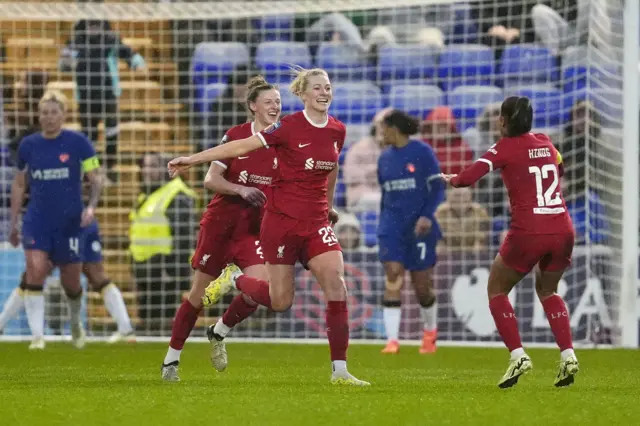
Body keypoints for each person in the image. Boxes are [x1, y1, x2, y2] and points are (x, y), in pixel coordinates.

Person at [168, 67, 369, 386]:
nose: (324, 92)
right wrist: (191, 159)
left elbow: (330, 171)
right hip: (281, 224)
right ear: (302, 94)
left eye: (328, 87)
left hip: (316, 222)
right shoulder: (288, 128)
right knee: (280, 302)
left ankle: (340, 371)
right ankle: (235, 278)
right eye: (317, 87)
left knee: (337, 285)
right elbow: (238, 148)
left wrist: (329, 206)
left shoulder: (337, 130)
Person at [441, 96, 579, 388]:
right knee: (548, 290)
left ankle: (518, 355)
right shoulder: (546, 142)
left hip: (529, 229)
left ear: (503, 120)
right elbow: (560, 169)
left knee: (497, 289)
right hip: (563, 227)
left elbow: (468, 178)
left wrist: (451, 180)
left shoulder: (503, 148)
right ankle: (568, 354)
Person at [161, 76, 281, 381]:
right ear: (253, 107)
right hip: (221, 225)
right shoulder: (237, 136)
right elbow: (210, 180)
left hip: (253, 231)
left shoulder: (282, 144)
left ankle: (219, 330)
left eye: (278, 102)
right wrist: (240, 190)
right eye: (269, 102)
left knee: (262, 293)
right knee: (197, 296)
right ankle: (171, 361)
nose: (275, 106)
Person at [8, 91, 104, 350]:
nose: (49, 118)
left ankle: (75, 323)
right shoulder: (28, 145)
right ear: (39, 116)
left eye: (54, 112)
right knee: (35, 270)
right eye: (44, 113)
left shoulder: (79, 143)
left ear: (64, 115)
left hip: (70, 220)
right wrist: (12, 223)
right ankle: (37, 337)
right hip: (37, 219)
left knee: (71, 281)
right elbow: (19, 184)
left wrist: (91, 207)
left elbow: (96, 178)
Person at [376, 110, 444, 355]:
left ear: (395, 128)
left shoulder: (422, 152)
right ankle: (392, 341)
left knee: (422, 287)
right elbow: (386, 195)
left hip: (420, 228)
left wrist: (427, 215)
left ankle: (430, 332)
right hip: (391, 227)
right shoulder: (383, 158)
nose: (381, 133)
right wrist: (383, 225)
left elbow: (438, 188)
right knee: (393, 274)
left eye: (383, 128)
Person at [129, 153, 197, 332]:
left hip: (165, 270)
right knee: (147, 322)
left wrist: (174, 270)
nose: (146, 170)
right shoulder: (147, 195)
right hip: (145, 268)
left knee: (165, 323)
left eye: (152, 166)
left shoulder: (176, 194)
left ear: (163, 169)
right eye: (144, 166)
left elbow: (183, 237)